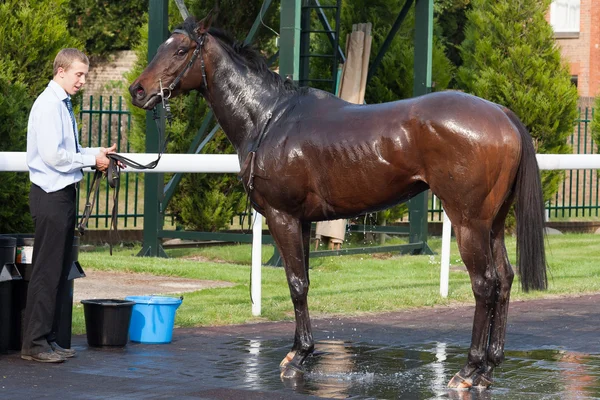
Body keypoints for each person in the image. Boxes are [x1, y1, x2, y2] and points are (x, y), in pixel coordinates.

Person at [22, 48, 115, 363]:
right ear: (60, 71)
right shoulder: (49, 105)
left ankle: (46, 340)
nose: (83, 81)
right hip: (51, 195)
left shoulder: (60, 104)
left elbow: (66, 150)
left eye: (85, 75)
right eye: (79, 74)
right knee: (47, 271)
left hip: (60, 194)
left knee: (58, 270)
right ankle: (34, 344)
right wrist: (92, 159)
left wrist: (97, 152)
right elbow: (53, 156)